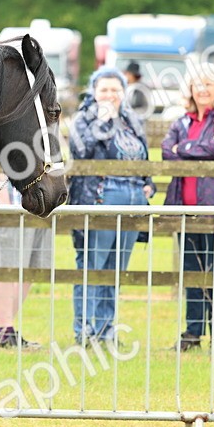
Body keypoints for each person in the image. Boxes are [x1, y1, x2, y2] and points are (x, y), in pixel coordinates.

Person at [68, 68, 155, 344]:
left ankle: (106, 329)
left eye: (115, 90)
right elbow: (81, 153)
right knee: (92, 264)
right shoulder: (84, 119)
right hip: (101, 196)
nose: (110, 95)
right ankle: (85, 331)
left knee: (116, 268)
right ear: (93, 92)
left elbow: (143, 157)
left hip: (133, 198)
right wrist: (103, 123)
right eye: (104, 89)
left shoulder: (132, 119)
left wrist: (148, 184)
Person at [161, 70, 214, 353]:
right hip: (185, 211)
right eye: (197, 84)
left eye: (208, 84)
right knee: (192, 273)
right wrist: (198, 150)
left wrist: (184, 148)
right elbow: (166, 151)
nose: (202, 89)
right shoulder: (182, 121)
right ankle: (193, 332)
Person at [0, 165, 52, 350]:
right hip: (10, 204)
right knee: (5, 266)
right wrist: (6, 206)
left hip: (39, 206)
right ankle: (5, 331)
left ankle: (4, 330)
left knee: (31, 269)